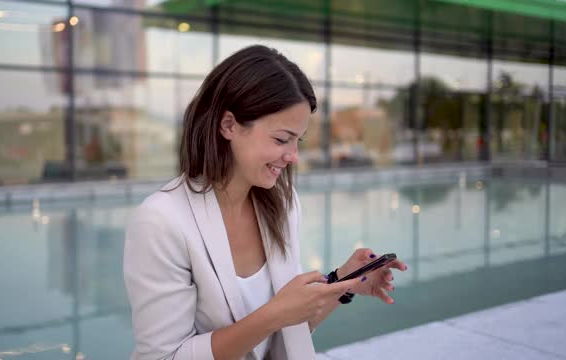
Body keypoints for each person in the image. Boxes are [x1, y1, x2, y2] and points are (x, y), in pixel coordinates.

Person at [123, 45, 408, 360]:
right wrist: (274, 313)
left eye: (297, 141)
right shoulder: (162, 221)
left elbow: (286, 333)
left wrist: (341, 284)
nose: (293, 156)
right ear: (228, 125)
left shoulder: (282, 205)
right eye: (281, 139)